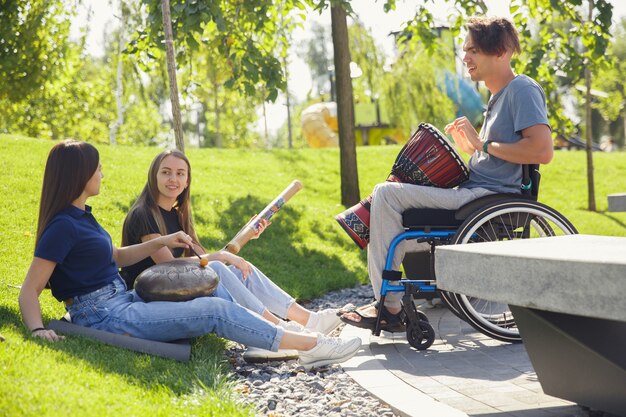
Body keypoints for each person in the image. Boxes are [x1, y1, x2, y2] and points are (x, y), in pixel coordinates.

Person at [18, 140, 361, 369]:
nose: (102, 173)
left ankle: (295, 336)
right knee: (214, 309)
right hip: (102, 314)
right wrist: (36, 331)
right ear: (79, 174)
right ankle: (310, 345)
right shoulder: (63, 226)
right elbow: (30, 290)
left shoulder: (83, 217)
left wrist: (159, 241)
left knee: (217, 288)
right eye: (97, 168)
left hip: (124, 299)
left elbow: (118, 257)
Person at [341, 16, 553, 330]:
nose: (465, 57)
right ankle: (389, 303)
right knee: (386, 213)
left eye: (474, 50)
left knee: (386, 194)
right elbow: (495, 155)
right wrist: (471, 148)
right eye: (466, 50)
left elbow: (541, 151)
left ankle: (390, 306)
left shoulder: (522, 89)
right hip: (475, 192)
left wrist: (483, 143)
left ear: (501, 51)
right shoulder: (496, 98)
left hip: (486, 199)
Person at [120, 150, 345, 336]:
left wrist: (246, 236)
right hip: (145, 294)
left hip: (169, 286)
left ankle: (310, 320)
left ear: (187, 180)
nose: (173, 179)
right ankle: (276, 328)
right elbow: (168, 265)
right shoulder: (144, 215)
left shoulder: (178, 214)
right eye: (166, 172)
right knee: (219, 266)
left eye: (180, 174)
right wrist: (223, 257)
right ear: (154, 176)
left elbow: (203, 259)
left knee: (242, 272)